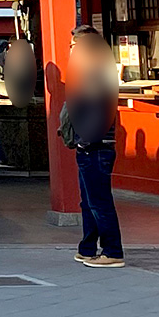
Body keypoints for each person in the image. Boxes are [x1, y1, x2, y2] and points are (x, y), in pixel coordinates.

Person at [54, 29, 124, 268]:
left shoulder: (95, 74)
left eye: (76, 45)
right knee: (88, 200)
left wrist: (85, 139)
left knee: (99, 201)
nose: (72, 50)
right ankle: (87, 247)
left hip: (96, 146)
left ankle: (113, 250)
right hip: (90, 146)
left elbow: (96, 111)